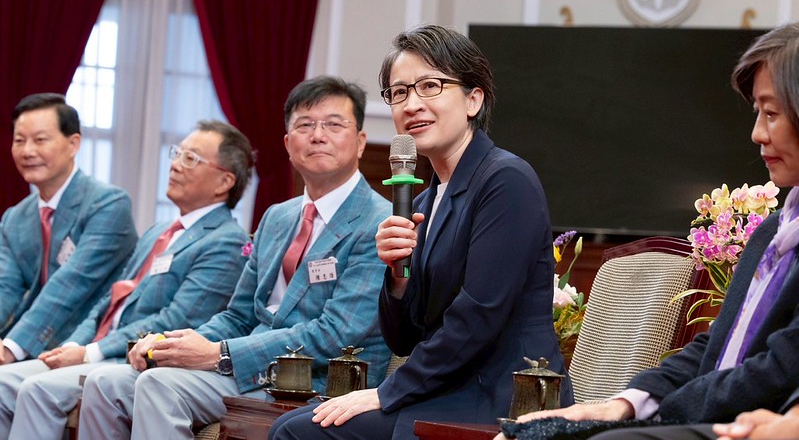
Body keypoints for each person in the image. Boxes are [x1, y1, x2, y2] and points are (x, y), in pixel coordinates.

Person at [496, 22, 799, 440]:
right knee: (524, 434)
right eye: (757, 113)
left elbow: (778, 369)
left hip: (749, 426)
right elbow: (715, 347)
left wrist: (653, 416)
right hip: (708, 414)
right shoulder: (771, 233)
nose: (757, 133)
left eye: (772, 113)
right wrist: (623, 404)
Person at [270, 24, 572, 440]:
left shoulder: (505, 180)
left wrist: (386, 392)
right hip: (447, 389)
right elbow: (404, 338)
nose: (412, 104)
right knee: (288, 424)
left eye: (430, 86)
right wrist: (398, 276)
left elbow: (479, 316)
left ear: (473, 99)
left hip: (502, 397)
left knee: (299, 433)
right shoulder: (425, 201)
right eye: (399, 92)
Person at [77, 76, 392, 439]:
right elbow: (238, 315)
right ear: (288, 144)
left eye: (334, 125)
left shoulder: (379, 222)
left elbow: (335, 334)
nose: (318, 135)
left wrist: (220, 354)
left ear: (360, 141)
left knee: (159, 385)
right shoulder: (277, 217)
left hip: (322, 381)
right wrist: (170, 344)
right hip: (251, 369)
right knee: (105, 383)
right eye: (305, 125)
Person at [0, 119, 254, 438]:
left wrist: (92, 352)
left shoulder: (226, 241)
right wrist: (76, 344)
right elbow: (108, 300)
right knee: (3, 382)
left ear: (224, 182)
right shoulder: (158, 231)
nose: (175, 165)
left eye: (190, 158)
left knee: (38, 389)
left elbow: (177, 319)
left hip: (131, 357)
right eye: (176, 153)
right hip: (99, 350)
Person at [0, 93, 137, 365]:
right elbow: (5, 287)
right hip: (30, 342)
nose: (27, 151)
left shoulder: (108, 204)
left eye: (40, 140)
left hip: (88, 345)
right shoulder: (14, 218)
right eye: (19, 141)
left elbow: (71, 284)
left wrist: (10, 349)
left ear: (73, 144)